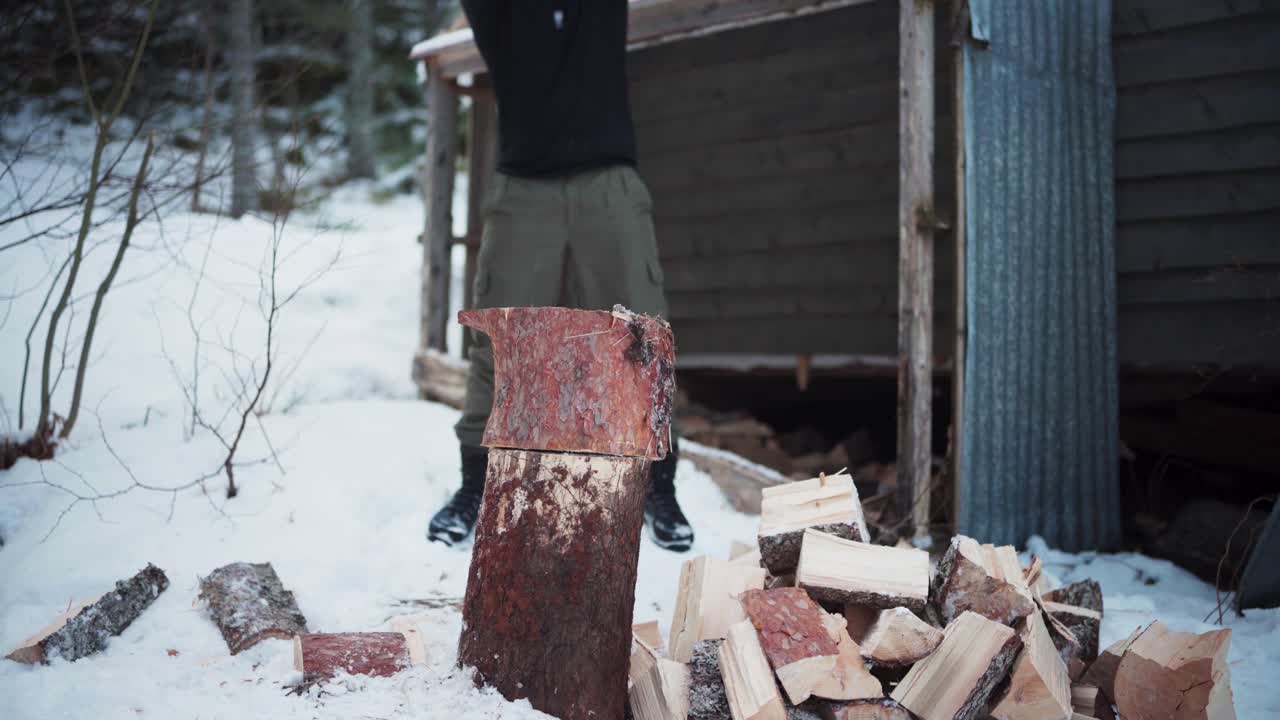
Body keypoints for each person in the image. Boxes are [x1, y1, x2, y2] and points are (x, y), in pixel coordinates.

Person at [427, 0, 695, 551]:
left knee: (644, 336)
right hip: (524, 188)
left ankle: (657, 487)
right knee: (495, 340)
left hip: (609, 181)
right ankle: (475, 486)